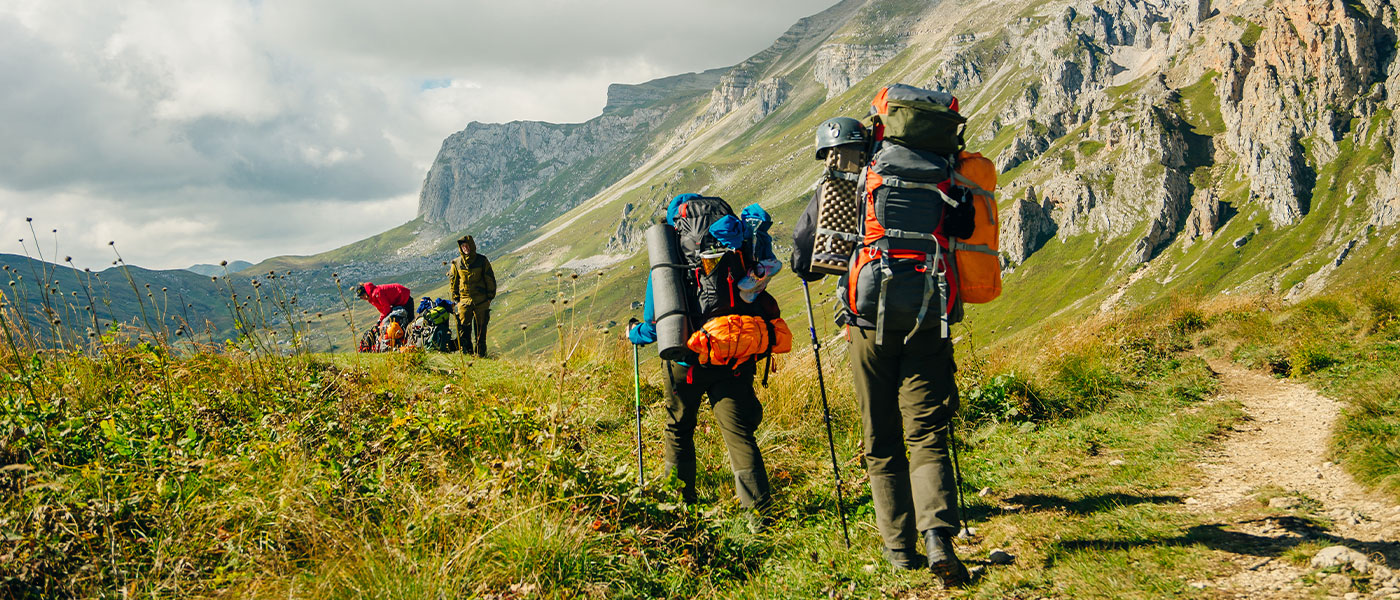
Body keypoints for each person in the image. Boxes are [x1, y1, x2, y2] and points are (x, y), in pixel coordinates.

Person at [791, 114, 977, 586]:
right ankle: (938, 536)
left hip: (868, 323)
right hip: (929, 312)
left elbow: (803, 259)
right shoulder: (938, 174)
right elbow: (966, 226)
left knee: (880, 437)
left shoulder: (841, 187)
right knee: (927, 431)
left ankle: (899, 550)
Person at [629, 193, 783, 532]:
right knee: (740, 434)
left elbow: (654, 323)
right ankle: (761, 519)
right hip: (731, 353)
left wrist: (635, 333)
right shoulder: (738, 243)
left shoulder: (670, 259)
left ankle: (679, 512)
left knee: (679, 429)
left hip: (687, 358)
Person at [447, 235, 496, 357]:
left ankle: (481, 356)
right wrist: (456, 299)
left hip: (481, 301)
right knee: (464, 329)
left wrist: (489, 297)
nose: (465, 248)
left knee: (480, 331)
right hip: (464, 302)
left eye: (467, 246)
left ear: (472, 246)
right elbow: (453, 282)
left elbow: (490, 279)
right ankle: (468, 355)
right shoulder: (457, 263)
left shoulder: (482, 260)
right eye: (463, 246)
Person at [356, 282, 414, 347]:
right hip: (398, 300)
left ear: (366, 292)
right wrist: (380, 321)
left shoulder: (376, 293)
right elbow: (382, 310)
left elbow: (386, 308)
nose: (363, 298)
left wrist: (380, 320)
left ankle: (411, 342)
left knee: (409, 322)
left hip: (403, 297)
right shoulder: (372, 297)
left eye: (363, 295)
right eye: (361, 297)